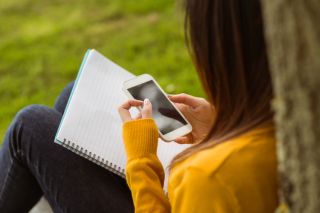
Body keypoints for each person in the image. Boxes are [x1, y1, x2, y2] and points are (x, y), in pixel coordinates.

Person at [0, 0, 278, 212]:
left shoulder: (208, 179)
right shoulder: (284, 131)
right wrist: (220, 127)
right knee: (70, 98)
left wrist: (142, 160)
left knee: (30, 126)